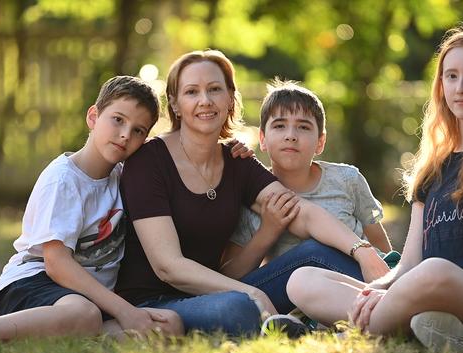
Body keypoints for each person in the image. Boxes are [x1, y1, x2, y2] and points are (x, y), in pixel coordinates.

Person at [285, 28, 463, 353]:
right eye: (451, 76)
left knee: (436, 271)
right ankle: (412, 328)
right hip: (429, 302)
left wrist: (407, 293)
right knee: (302, 280)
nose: (460, 88)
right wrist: (381, 289)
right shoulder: (432, 169)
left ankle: (347, 335)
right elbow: (408, 264)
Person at [114, 50, 390, 337]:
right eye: (192, 91)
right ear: (175, 103)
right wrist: (251, 294)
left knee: (315, 252)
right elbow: (168, 267)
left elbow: (302, 214)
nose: (205, 100)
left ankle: (396, 305)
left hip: (223, 290)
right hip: (160, 301)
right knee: (237, 309)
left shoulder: (236, 160)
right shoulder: (148, 162)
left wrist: (363, 251)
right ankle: (379, 317)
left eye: (215, 89)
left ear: (230, 97)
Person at [0, 76, 184, 344]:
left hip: (84, 299)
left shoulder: (125, 177)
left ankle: (33, 338)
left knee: (168, 324)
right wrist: (124, 310)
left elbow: (175, 159)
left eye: (138, 130)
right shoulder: (64, 179)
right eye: (118, 120)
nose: (126, 134)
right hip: (34, 284)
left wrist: (232, 147)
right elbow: (57, 264)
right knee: (85, 315)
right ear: (93, 117)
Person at [222, 78, 392, 287]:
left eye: (303, 127)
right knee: (313, 252)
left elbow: (380, 246)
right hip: (292, 296)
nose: (291, 136)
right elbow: (229, 276)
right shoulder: (252, 195)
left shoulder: (347, 180)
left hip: (355, 283)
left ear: (320, 142)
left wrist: (387, 275)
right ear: (263, 139)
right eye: (279, 126)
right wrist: (268, 230)